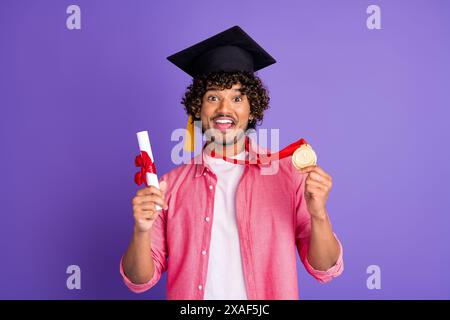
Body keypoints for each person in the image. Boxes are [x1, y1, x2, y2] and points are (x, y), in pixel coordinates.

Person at [120, 26, 343, 300]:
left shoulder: (288, 176)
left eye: (237, 98)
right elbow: (139, 281)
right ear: (197, 109)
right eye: (213, 97)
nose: (224, 110)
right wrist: (141, 231)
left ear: (253, 108)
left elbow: (325, 269)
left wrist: (319, 214)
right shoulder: (168, 187)